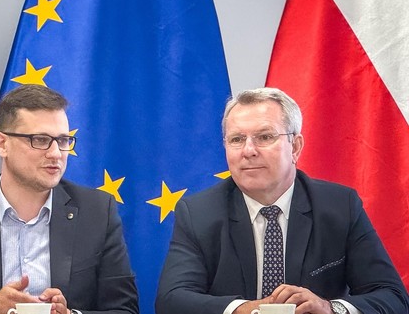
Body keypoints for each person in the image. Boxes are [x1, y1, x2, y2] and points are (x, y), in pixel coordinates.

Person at [156, 87, 409, 314]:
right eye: (237, 139)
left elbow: (393, 297)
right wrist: (243, 309)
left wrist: (330, 309)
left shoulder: (340, 206)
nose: (249, 150)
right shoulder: (199, 213)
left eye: (265, 137)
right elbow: (171, 300)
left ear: (295, 147)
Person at [0, 84, 138, 314]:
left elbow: (125, 310)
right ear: (2, 144)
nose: (55, 154)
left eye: (62, 141)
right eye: (40, 140)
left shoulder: (97, 212)